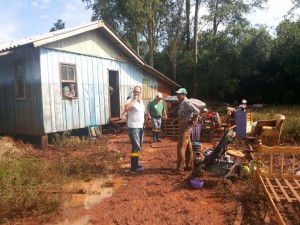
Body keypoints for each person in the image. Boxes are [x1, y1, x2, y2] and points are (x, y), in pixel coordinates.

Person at [175, 88, 200, 174]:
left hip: (185, 129)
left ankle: (179, 169)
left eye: (179, 94)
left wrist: (191, 120)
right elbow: (183, 115)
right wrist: (176, 120)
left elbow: (197, 111)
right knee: (189, 148)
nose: (177, 96)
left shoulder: (187, 102)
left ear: (184, 95)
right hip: (185, 128)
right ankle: (189, 166)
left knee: (180, 148)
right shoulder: (182, 103)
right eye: (177, 94)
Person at [125, 86, 145, 174]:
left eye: (138, 92)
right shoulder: (130, 100)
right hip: (133, 127)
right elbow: (126, 108)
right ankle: (134, 168)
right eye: (135, 92)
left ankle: (136, 163)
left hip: (140, 126)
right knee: (135, 147)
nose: (137, 93)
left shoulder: (141, 101)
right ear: (133, 92)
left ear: (140, 93)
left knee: (139, 145)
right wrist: (135, 99)